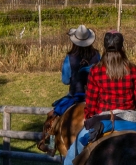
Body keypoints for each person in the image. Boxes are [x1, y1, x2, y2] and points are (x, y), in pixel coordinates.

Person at [48, 31, 136, 165]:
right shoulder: (132, 68)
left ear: (105, 47)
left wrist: (90, 117)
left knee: (72, 153)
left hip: (103, 119)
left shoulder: (97, 70)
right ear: (122, 47)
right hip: (129, 119)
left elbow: (91, 103)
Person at [36, 25, 99, 154]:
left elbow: (65, 80)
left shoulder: (70, 57)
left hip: (75, 95)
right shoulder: (97, 55)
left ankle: (51, 145)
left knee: (53, 117)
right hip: (94, 96)